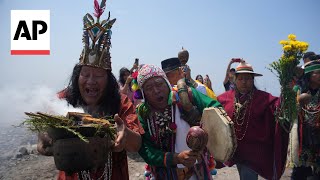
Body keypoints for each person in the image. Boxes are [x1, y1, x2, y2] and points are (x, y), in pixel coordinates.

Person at [37, 2, 144, 179]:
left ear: (108, 81)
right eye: (85, 74)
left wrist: (125, 136)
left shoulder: (121, 102)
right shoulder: (64, 98)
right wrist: (43, 136)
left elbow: (137, 144)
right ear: (77, 76)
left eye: (99, 75)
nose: (91, 81)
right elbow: (45, 127)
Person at [136, 64, 221, 179]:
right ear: (144, 93)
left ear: (166, 83)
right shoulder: (143, 114)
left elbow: (215, 108)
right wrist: (176, 158)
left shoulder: (187, 95)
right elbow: (146, 150)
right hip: (163, 175)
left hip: (197, 172)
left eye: (159, 84)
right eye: (149, 88)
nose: (156, 90)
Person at [217, 61, 289, 180]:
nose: (244, 82)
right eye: (240, 79)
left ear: (253, 80)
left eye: (248, 79)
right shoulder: (224, 98)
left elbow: (279, 107)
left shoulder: (263, 98)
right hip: (233, 150)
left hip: (253, 153)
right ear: (235, 80)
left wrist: (287, 91)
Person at [290, 60, 320, 180]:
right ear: (309, 75)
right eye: (317, 73)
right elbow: (290, 110)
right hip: (303, 135)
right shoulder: (298, 89)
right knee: (300, 172)